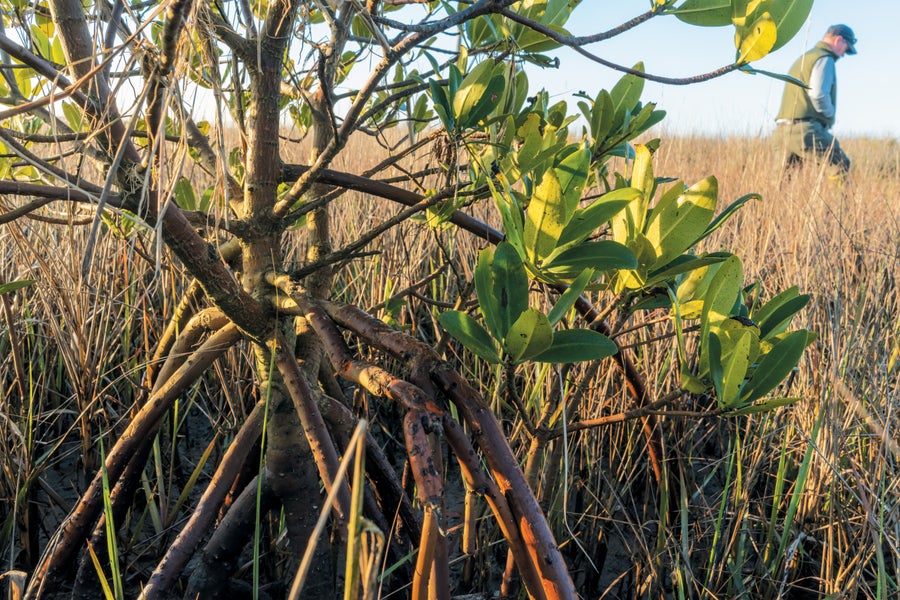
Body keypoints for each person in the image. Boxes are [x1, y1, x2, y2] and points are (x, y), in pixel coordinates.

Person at [773, 24, 857, 176]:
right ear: (839, 40)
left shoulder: (805, 58)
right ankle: (840, 201)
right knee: (841, 165)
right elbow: (818, 94)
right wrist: (830, 114)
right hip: (804, 131)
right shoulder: (825, 58)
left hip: (781, 131)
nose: (844, 54)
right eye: (847, 48)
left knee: (780, 182)